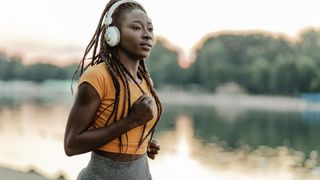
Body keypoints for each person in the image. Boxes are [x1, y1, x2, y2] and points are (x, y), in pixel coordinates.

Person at [63, 0, 163, 179]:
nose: (147, 35)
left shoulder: (146, 81)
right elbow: (71, 145)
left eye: (150, 28)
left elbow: (125, 131)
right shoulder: (97, 77)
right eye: (136, 28)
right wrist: (130, 121)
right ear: (112, 34)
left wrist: (144, 142)